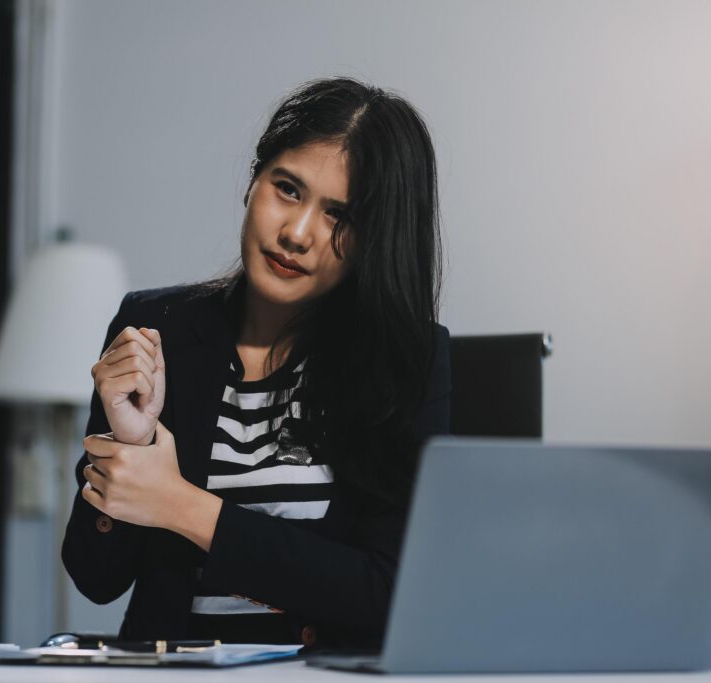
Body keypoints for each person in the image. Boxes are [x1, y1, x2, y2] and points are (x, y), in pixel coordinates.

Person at [61, 77, 451, 649]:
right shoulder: (154, 326)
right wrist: (131, 445)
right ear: (252, 183)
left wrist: (183, 506)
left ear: (376, 236)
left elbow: (387, 592)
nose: (296, 233)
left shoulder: (410, 361)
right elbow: (95, 578)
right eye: (288, 189)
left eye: (339, 216)